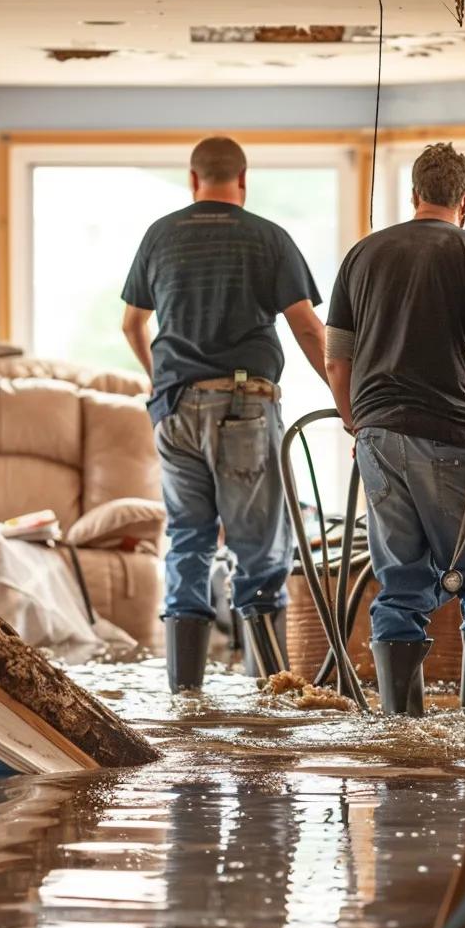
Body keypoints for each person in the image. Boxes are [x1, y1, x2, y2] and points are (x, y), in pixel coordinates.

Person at [325, 141, 465, 716]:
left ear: (414, 193)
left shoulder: (361, 255)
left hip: (376, 438)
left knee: (402, 582)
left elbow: (337, 357)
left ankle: (400, 730)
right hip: (450, 435)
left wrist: (354, 421)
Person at [121, 135, 327, 692]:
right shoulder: (267, 237)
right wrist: (349, 398)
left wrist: (159, 381)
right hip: (242, 408)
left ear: (193, 180)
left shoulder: (160, 235)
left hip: (175, 409)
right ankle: (269, 700)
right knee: (259, 550)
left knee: (187, 540)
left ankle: (184, 697)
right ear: (243, 179)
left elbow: (132, 324)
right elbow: (307, 327)